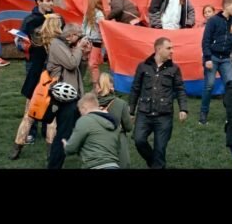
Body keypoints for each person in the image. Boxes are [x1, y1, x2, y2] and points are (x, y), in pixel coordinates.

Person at [9, 0, 60, 160]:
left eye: (52, 0)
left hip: (41, 72)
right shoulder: (32, 21)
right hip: (44, 73)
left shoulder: (50, 23)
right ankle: (45, 147)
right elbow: (20, 42)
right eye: (48, 0)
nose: (51, 3)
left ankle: (18, 147)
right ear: (39, 2)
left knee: (32, 113)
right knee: (42, 113)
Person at [130, 38, 189, 169]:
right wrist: (131, 111)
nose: (172, 51)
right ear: (158, 49)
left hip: (164, 115)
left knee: (160, 149)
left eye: (172, 48)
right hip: (144, 113)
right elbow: (135, 88)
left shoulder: (174, 69)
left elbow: (180, 89)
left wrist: (183, 109)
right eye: (169, 48)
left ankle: (157, 164)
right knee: (139, 140)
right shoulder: (143, 66)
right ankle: (155, 163)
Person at [46, 22, 92, 169]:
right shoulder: (57, 44)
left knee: (85, 131)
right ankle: (54, 165)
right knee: (63, 134)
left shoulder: (69, 47)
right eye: (79, 36)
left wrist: (84, 56)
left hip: (75, 98)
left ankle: (95, 161)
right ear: (70, 36)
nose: (81, 39)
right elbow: (71, 64)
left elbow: (79, 73)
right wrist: (78, 49)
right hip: (64, 100)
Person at [200, 0, 232, 124]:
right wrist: (207, 58)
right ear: (226, 7)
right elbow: (206, 40)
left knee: (230, 85)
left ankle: (231, 115)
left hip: (226, 58)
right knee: (209, 85)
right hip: (213, 57)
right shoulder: (213, 20)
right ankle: (203, 114)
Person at [62, 92, 121, 169]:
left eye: (80, 111)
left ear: (84, 108)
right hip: (114, 165)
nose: (81, 114)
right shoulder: (113, 123)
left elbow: (71, 148)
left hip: (95, 165)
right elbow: (118, 148)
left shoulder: (85, 120)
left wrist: (66, 146)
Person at [97, 72, 133, 168]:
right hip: (117, 142)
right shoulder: (121, 103)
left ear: (98, 86)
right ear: (112, 85)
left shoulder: (91, 103)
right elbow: (129, 127)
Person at [83, 0, 105, 91]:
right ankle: (93, 82)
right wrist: (83, 36)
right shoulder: (88, 13)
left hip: (96, 41)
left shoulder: (99, 13)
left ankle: (96, 86)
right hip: (88, 40)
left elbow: (102, 26)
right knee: (89, 62)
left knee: (93, 64)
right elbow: (83, 25)